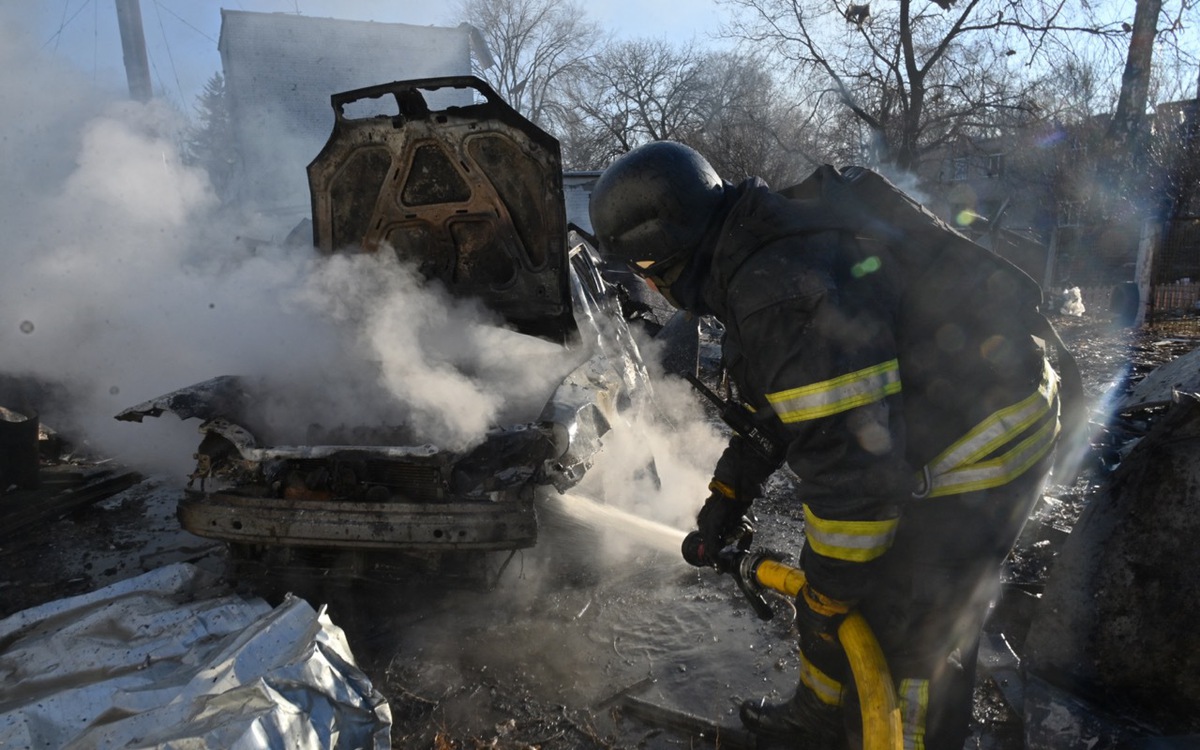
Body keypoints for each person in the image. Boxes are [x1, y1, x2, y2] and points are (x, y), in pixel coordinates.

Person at [588, 141, 1079, 749]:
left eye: (643, 272)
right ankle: (820, 716)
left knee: (905, 630)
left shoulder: (774, 286)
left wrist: (826, 594)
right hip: (955, 408)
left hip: (980, 446)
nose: (649, 286)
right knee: (835, 599)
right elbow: (787, 402)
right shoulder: (754, 241)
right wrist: (728, 494)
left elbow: (857, 484)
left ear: (662, 258)